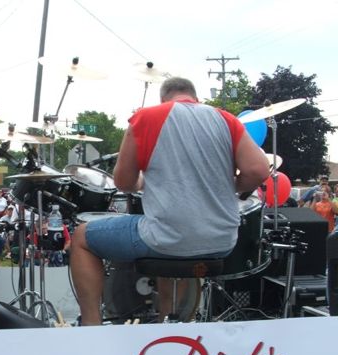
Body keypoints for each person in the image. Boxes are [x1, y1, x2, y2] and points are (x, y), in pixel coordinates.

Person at [70, 77, 270, 326]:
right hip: (221, 241)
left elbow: (123, 182)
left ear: (163, 99)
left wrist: (142, 182)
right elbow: (259, 170)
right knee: (173, 241)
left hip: (167, 239)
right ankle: (173, 321)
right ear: (194, 98)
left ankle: (91, 326)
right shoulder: (226, 119)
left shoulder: (148, 117)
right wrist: (231, 187)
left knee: (81, 237)